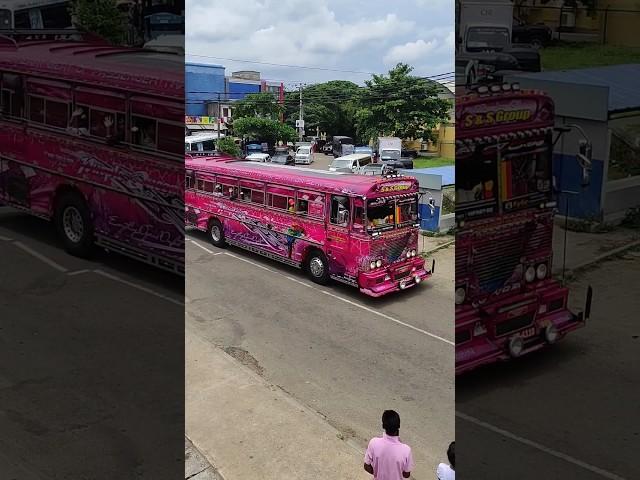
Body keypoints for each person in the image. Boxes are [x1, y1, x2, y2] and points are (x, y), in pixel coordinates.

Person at [364, 410, 414, 480]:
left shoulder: (374, 443)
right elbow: (406, 474)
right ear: (399, 426)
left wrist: (378, 473)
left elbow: (366, 466)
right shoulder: (406, 450)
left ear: (383, 426)